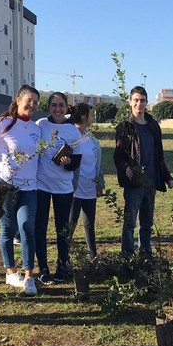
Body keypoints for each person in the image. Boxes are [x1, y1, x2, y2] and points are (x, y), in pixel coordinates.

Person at [0, 84, 42, 296]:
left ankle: (29, 276)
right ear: (18, 100)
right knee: (8, 229)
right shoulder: (3, 123)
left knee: (28, 226)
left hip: (30, 187)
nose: (32, 105)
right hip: (6, 186)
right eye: (29, 100)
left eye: (36, 102)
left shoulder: (36, 128)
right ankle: (11, 272)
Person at [114, 86, 173, 259]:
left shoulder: (153, 126)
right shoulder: (125, 127)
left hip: (151, 182)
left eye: (142, 100)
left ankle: (145, 255)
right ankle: (127, 257)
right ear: (130, 102)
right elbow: (118, 155)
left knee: (146, 223)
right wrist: (126, 168)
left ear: (147, 103)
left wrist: (167, 176)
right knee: (130, 223)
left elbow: (159, 155)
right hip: (134, 182)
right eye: (136, 100)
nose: (139, 104)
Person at [35, 92, 81, 284]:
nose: (58, 109)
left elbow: (77, 161)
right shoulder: (41, 126)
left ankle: (62, 266)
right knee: (40, 227)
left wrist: (68, 162)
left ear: (66, 108)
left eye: (61, 105)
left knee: (63, 229)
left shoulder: (73, 131)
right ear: (48, 108)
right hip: (41, 185)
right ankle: (43, 268)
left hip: (63, 187)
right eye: (54, 105)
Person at [69, 103, 105, 257]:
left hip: (91, 188)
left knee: (89, 224)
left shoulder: (90, 137)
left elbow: (97, 161)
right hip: (75, 189)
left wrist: (100, 181)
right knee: (70, 224)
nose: (92, 117)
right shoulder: (72, 136)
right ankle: (64, 257)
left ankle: (93, 256)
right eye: (90, 114)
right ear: (84, 116)